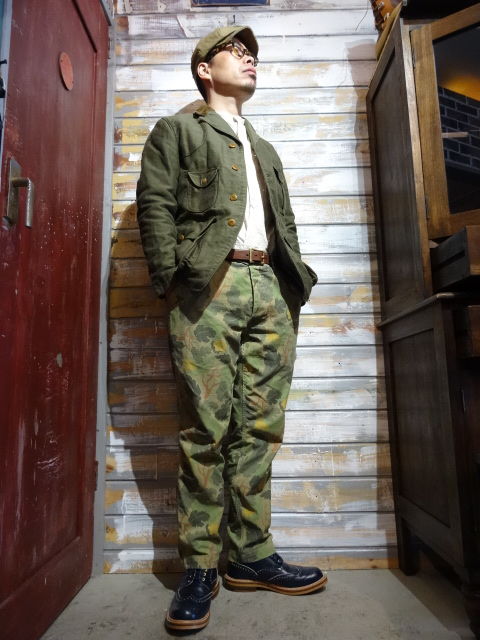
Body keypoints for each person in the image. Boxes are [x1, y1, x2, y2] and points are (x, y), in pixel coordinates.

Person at [136, 25, 326, 632]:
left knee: (260, 427)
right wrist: (171, 279)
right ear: (203, 68)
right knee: (205, 429)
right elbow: (154, 205)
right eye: (236, 52)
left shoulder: (263, 145)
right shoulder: (177, 131)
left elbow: (282, 221)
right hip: (207, 287)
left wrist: (294, 282)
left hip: (270, 286)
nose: (250, 60)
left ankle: (251, 555)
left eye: (253, 55)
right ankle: (200, 567)